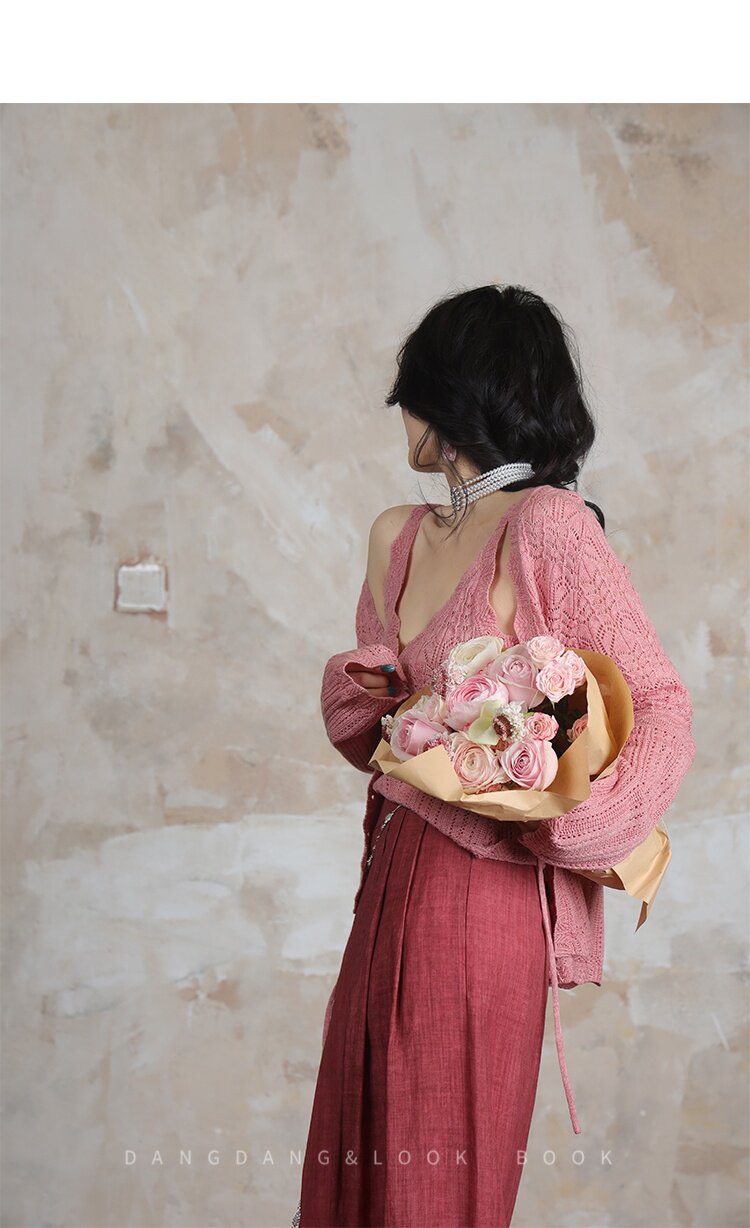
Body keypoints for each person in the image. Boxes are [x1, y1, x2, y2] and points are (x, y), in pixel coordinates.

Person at [292, 284, 695, 1228]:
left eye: (413, 393)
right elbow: (374, 731)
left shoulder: (547, 523)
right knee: (358, 1164)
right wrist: (380, 696)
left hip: (485, 891)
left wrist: (573, 826)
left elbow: (661, 706)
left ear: (452, 400)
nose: (402, 413)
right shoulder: (396, 537)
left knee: (437, 1184)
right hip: (389, 873)